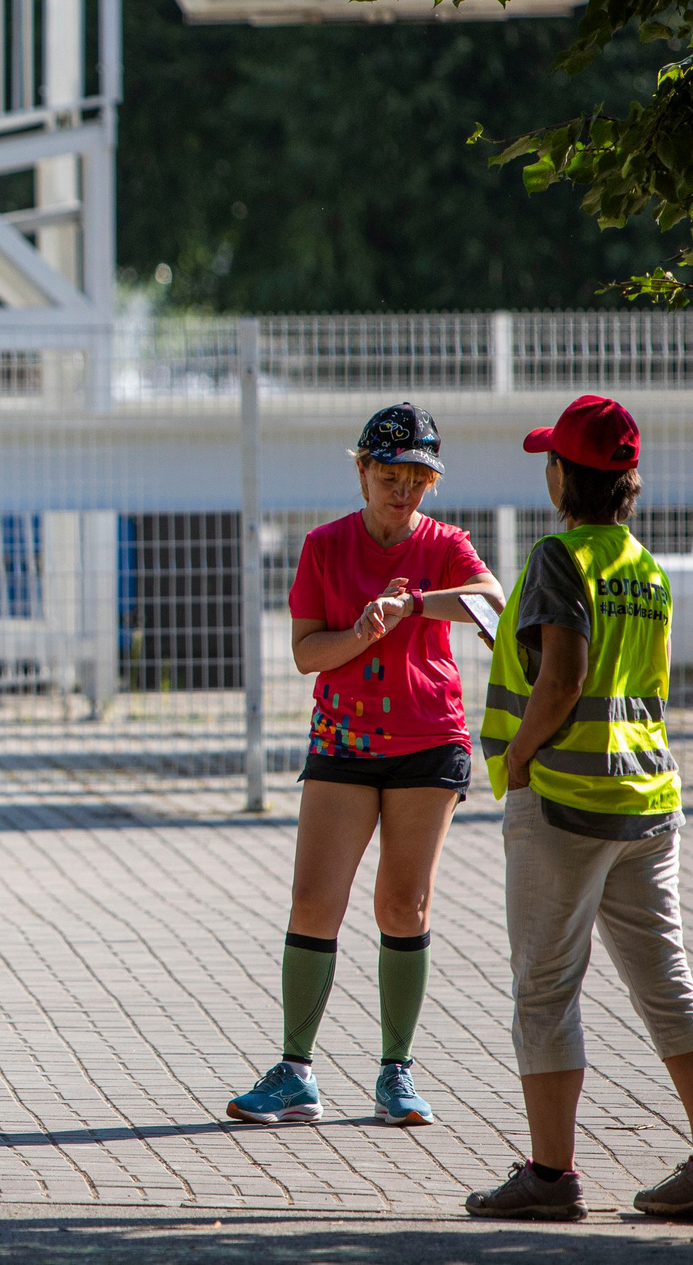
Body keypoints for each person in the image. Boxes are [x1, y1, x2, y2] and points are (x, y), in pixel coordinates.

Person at [464, 395, 693, 1221]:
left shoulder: (561, 558)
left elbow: (564, 676)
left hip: (562, 802)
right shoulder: (645, 568)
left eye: (548, 459)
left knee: (545, 990)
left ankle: (549, 1179)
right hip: (646, 803)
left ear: (564, 476)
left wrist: (519, 756)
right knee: (668, 984)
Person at [224, 404, 504, 1129]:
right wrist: (360, 630)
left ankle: (396, 1072)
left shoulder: (445, 545)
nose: (402, 491)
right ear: (360, 471)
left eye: (417, 478)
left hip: (428, 739)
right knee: (315, 900)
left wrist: (411, 607)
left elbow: (492, 603)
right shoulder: (323, 546)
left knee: (402, 905)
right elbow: (305, 652)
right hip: (344, 741)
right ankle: (295, 1073)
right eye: (389, 475)